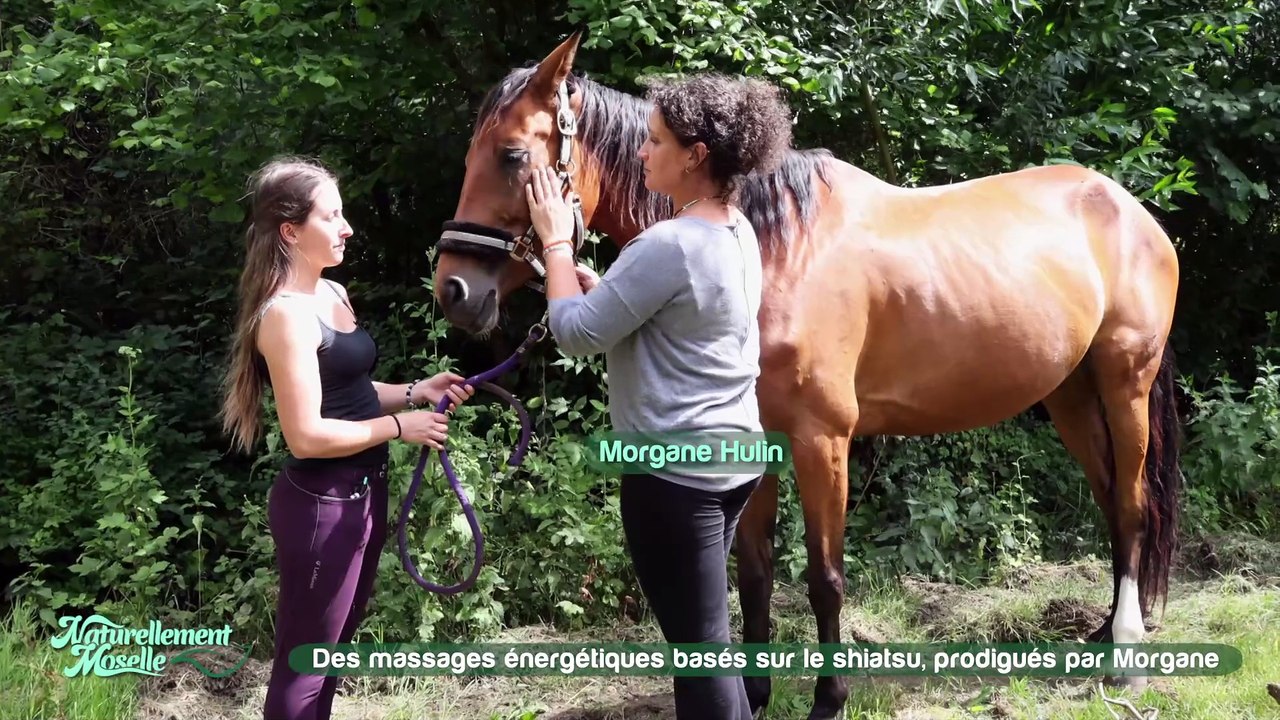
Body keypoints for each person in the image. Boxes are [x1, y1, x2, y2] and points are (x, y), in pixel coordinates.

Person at [525, 74, 792, 719]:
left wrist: (556, 241)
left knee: (699, 655)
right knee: (706, 642)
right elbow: (678, 317)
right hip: (732, 461)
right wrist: (606, 285)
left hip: (676, 477)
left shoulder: (666, 244)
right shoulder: (737, 230)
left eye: (654, 141)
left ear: (695, 154)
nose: (641, 152)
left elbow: (576, 333)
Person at [219, 156, 475, 720]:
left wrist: (414, 390)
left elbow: (351, 393)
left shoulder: (331, 294)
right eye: (331, 216)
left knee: (331, 657)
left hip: (363, 493)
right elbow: (306, 435)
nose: (347, 227)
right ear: (291, 231)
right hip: (322, 506)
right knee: (305, 663)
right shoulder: (284, 315)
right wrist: (400, 428)